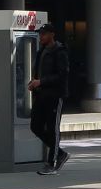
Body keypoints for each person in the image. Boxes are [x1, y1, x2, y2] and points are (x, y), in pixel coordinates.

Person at [28, 22, 71, 174]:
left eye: (44, 34)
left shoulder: (60, 52)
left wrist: (41, 82)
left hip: (55, 95)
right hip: (41, 95)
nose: (41, 37)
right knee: (36, 126)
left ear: (52, 35)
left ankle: (52, 163)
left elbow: (62, 75)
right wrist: (34, 83)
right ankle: (60, 153)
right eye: (40, 34)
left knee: (53, 129)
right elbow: (39, 72)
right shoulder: (42, 51)